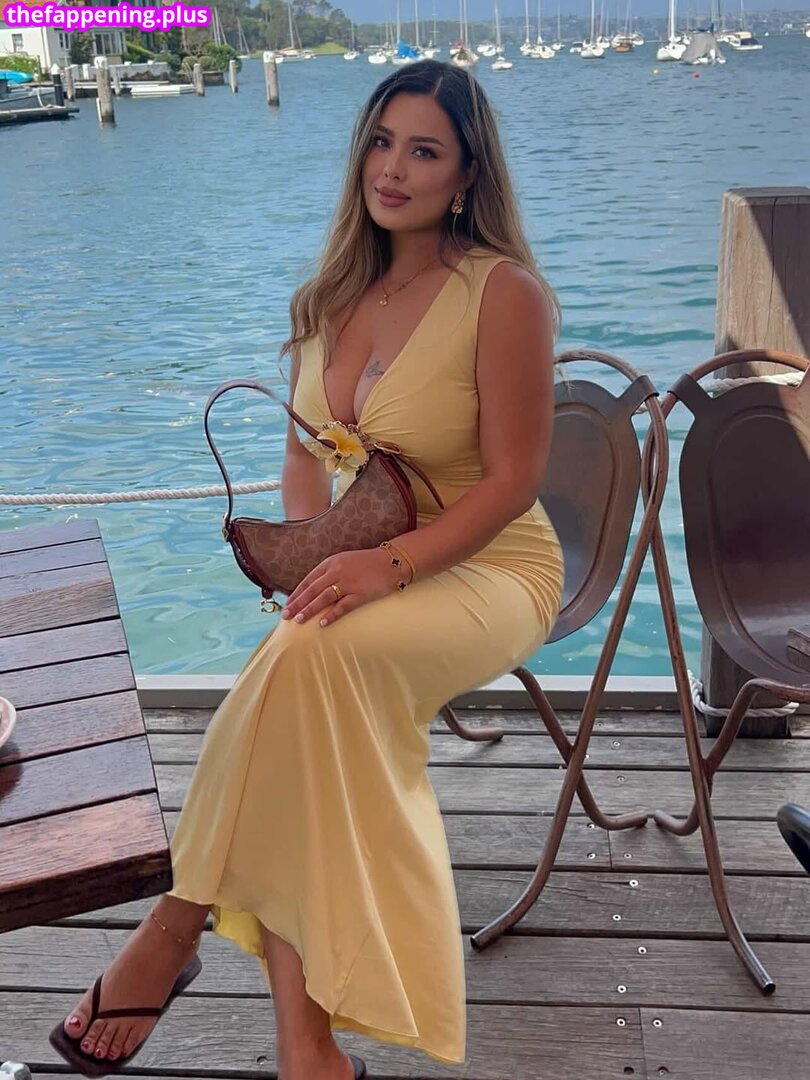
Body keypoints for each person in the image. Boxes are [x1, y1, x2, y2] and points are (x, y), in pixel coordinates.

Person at [49, 59, 564, 1079]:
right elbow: (302, 457)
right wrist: (311, 562)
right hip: (366, 563)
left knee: (306, 665)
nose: (394, 169)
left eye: (425, 151)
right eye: (381, 142)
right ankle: (307, 1050)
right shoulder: (329, 295)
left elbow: (513, 483)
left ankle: (174, 927)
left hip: (492, 567)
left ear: (467, 175)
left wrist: (387, 567)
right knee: (307, 680)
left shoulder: (503, 292)